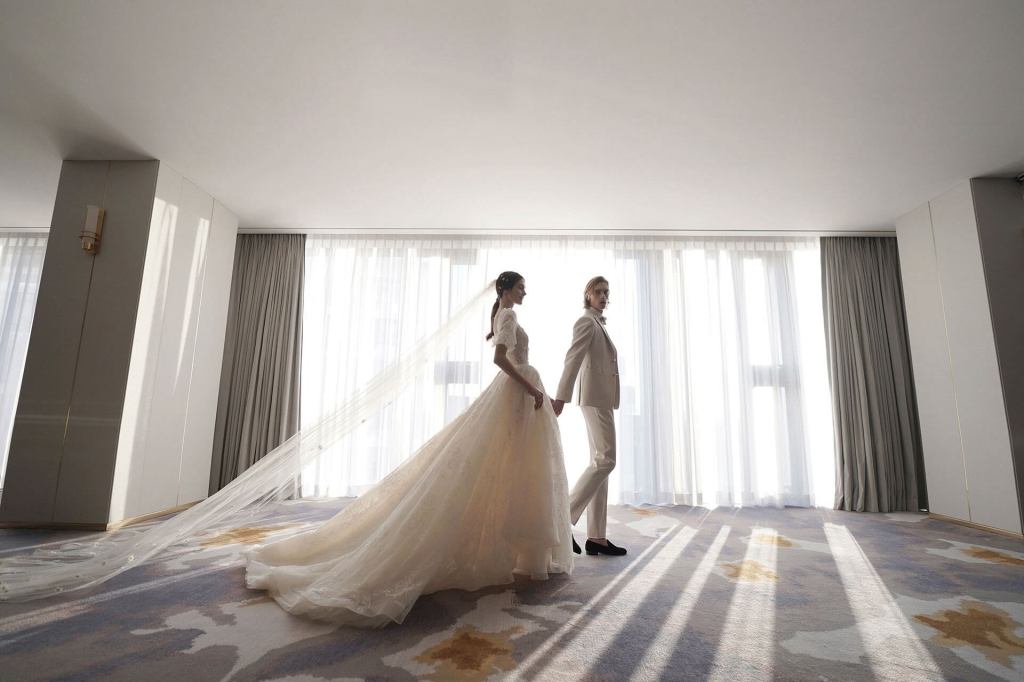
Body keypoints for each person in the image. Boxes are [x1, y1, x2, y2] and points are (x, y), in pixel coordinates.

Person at [245, 272, 573, 626]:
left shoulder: (505, 314)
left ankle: (514, 548)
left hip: (517, 393)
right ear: (506, 289)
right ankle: (510, 546)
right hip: (516, 392)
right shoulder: (508, 314)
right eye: (521, 286)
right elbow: (499, 359)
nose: (526, 291)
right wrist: (532, 389)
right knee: (509, 463)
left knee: (510, 465)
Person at [552, 276, 627, 557]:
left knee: (601, 463)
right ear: (588, 295)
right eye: (598, 291)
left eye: (607, 291)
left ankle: (597, 537)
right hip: (594, 400)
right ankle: (562, 518)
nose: (604, 296)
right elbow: (572, 359)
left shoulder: (597, 321)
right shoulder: (586, 321)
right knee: (606, 459)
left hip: (601, 398)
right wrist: (561, 398)